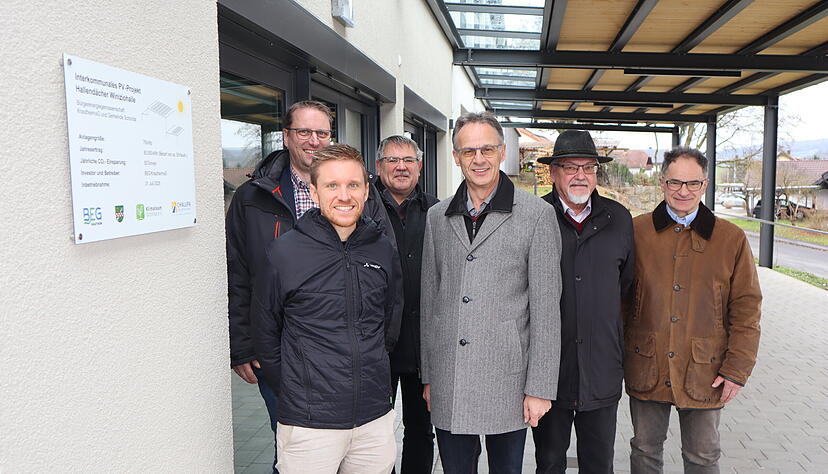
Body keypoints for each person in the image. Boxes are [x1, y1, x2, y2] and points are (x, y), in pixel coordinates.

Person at [225, 100, 392, 472]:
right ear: (286, 137)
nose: (313, 140)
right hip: (300, 386)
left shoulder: (375, 240)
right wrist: (279, 371)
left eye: (321, 132)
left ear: (366, 190)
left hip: (367, 397)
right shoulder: (255, 201)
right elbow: (240, 279)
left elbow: (388, 307)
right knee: (286, 447)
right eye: (303, 131)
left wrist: (374, 359)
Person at [420, 112, 562, 474]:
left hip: (508, 381)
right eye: (469, 151)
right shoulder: (437, 217)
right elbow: (429, 302)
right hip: (450, 377)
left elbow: (547, 310)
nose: (478, 159)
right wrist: (429, 376)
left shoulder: (536, 215)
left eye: (487, 149)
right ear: (455, 156)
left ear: (502, 153)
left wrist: (540, 388)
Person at [625, 146, 762, 473]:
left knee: (702, 456)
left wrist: (737, 369)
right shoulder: (635, 232)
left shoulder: (731, 239)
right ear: (662, 182)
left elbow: (747, 308)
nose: (683, 191)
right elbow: (618, 299)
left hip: (707, 370)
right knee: (644, 451)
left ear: (705, 185)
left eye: (692, 184)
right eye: (675, 183)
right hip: (647, 362)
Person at [532, 130, 635, 473]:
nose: (580, 175)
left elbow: (627, 287)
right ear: (554, 172)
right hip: (549, 375)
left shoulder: (619, 219)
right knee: (548, 462)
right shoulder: (534, 216)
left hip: (601, 369)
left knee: (599, 464)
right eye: (570, 167)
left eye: (588, 168)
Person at [374, 135, 438, 473]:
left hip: (421, 345)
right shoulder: (363, 206)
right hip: (376, 345)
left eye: (409, 160)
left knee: (420, 431)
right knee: (374, 433)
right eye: (393, 160)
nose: (401, 167)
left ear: (419, 166)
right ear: (378, 166)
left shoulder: (438, 211)